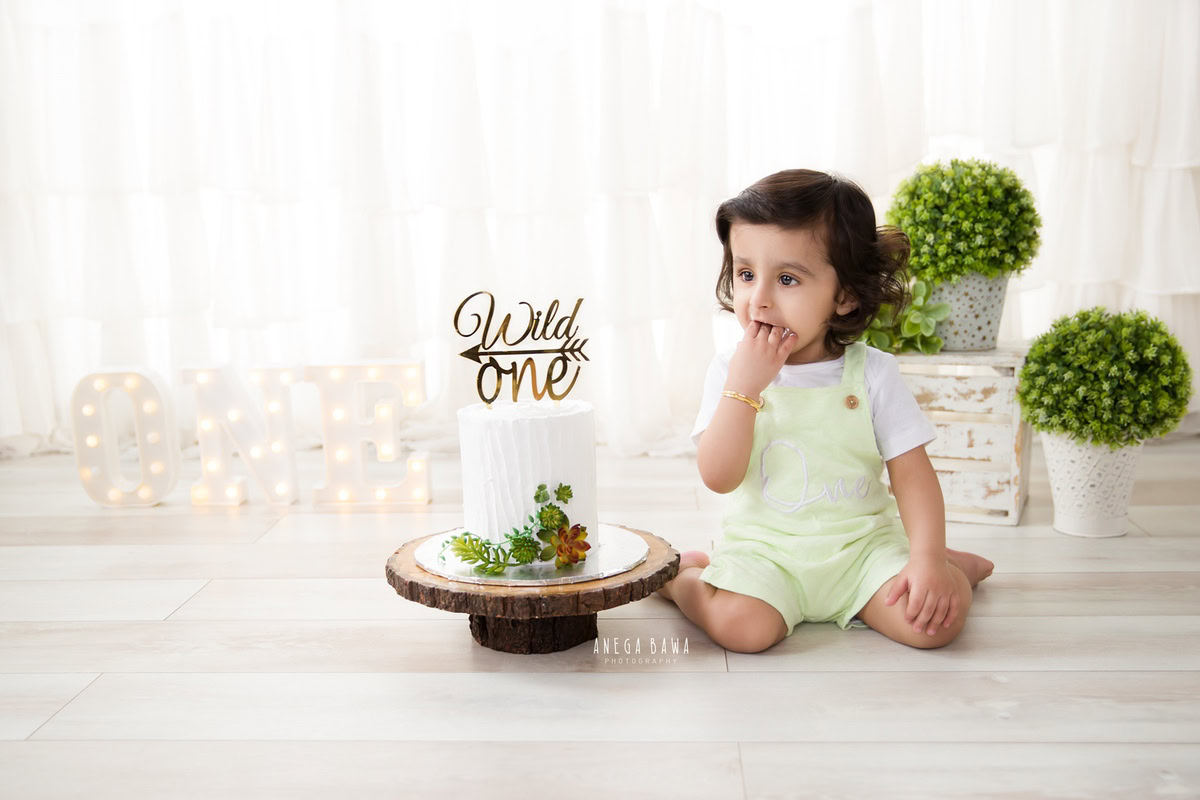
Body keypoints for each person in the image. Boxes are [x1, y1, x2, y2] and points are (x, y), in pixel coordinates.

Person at [658, 168, 994, 653]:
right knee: (743, 631)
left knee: (933, 624)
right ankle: (683, 579)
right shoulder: (731, 370)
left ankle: (947, 563)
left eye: (788, 278)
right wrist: (745, 390)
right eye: (746, 274)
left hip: (861, 550)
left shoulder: (872, 373)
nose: (759, 299)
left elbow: (913, 476)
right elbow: (719, 476)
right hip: (766, 552)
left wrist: (924, 559)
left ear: (845, 296)